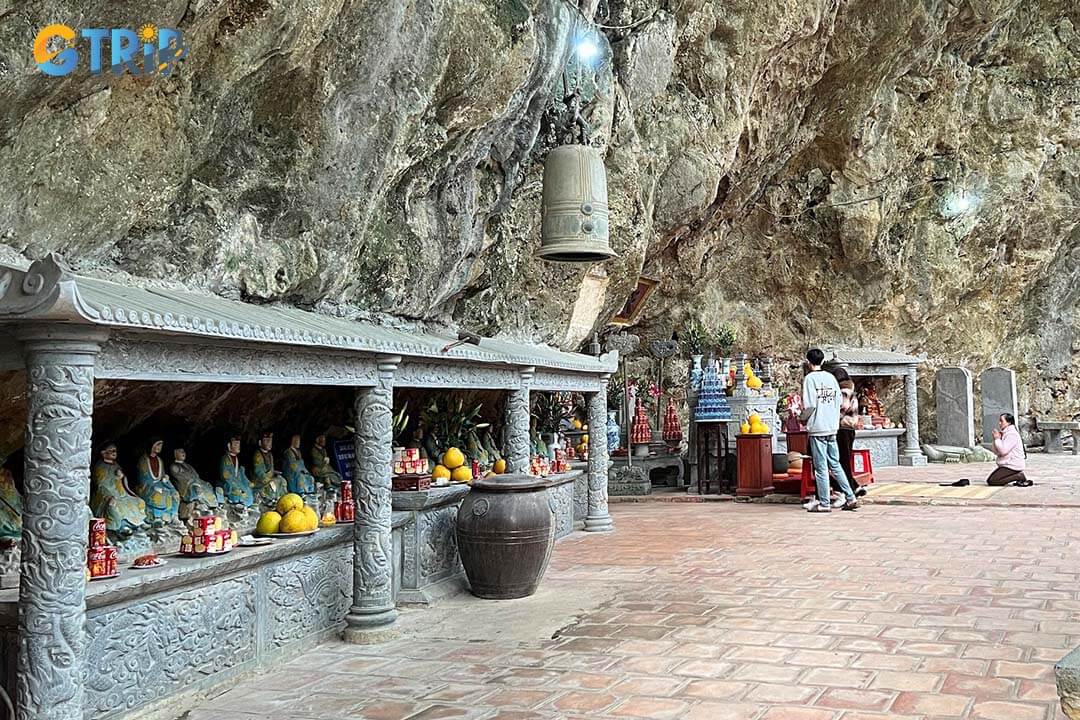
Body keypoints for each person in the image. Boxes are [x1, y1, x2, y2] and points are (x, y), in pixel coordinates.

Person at [800, 349, 858, 512]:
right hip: (833, 427)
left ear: (808, 362)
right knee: (835, 464)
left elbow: (810, 405)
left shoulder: (810, 379)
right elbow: (839, 402)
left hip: (818, 427)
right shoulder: (831, 378)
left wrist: (802, 419)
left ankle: (824, 503)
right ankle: (850, 496)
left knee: (821, 467)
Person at [828, 366, 867, 498]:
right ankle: (854, 486)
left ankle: (849, 488)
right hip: (849, 429)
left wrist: (829, 418)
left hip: (842, 429)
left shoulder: (844, 391)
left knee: (841, 461)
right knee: (843, 460)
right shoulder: (851, 390)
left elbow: (842, 408)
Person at [987, 413, 1030, 486]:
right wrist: (997, 439)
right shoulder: (1005, 433)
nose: (999, 423)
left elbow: (1003, 451)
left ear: (1009, 423)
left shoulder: (1012, 434)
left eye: (1002, 421)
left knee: (992, 481)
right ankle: (1017, 476)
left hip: (1012, 464)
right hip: (1007, 464)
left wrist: (997, 439)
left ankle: (1019, 476)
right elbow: (996, 451)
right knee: (992, 480)